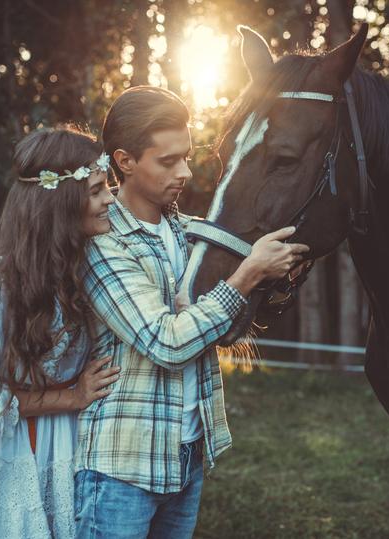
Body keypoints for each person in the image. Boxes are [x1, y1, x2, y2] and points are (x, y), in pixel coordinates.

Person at [74, 86, 309, 538]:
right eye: (167, 161)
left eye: (186, 156)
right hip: (121, 464)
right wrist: (242, 278)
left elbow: (216, 325)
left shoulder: (194, 235)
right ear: (124, 162)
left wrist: (273, 272)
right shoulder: (104, 245)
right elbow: (166, 341)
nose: (185, 171)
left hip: (186, 453)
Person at [0, 127, 118, 538]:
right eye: (97, 190)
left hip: (73, 436)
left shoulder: (87, 265)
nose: (109, 200)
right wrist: (74, 396)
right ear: (61, 203)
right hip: (11, 445)